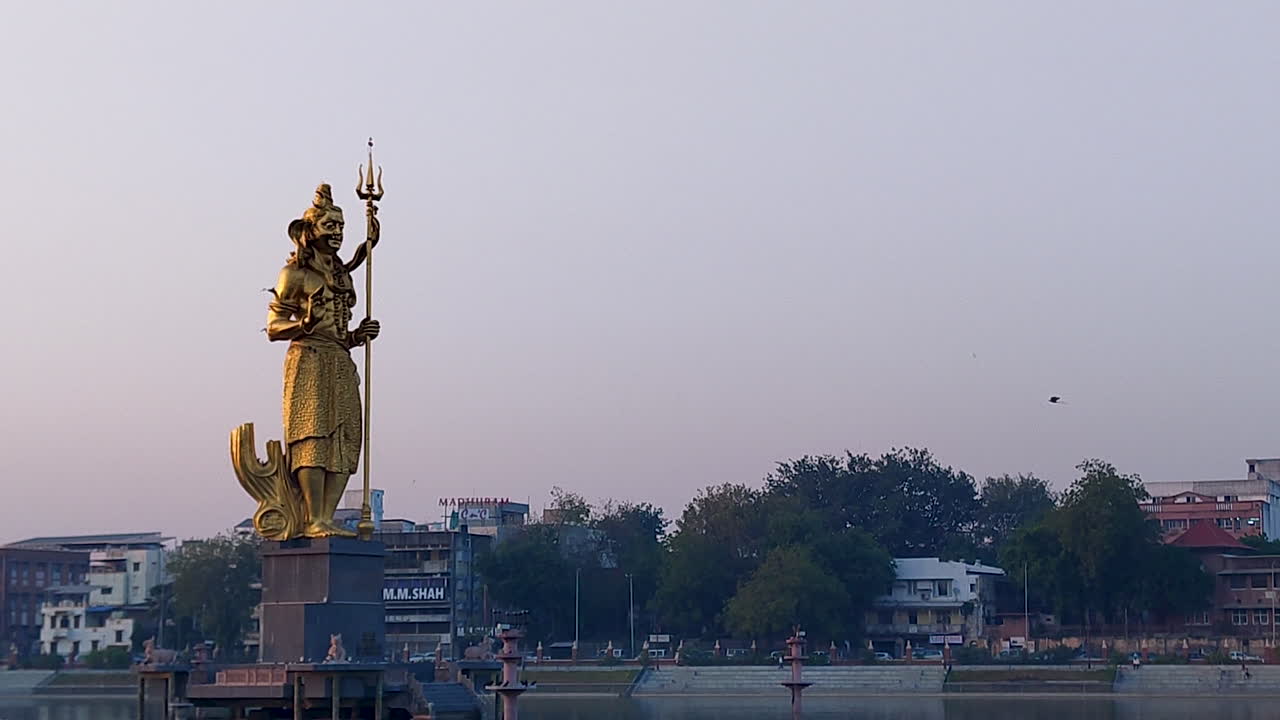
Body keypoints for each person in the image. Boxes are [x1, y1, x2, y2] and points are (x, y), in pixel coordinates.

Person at [267, 184, 380, 537]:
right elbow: (273, 326)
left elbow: (340, 328)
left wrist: (356, 336)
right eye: (330, 227)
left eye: (341, 228)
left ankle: (326, 516)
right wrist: (302, 324)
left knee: (346, 436)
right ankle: (314, 517)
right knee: (313, 434)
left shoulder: (341, 274)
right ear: (309, 231)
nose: (337, 235)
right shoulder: (294, 275)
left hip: (339, 359)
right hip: (309, 358)